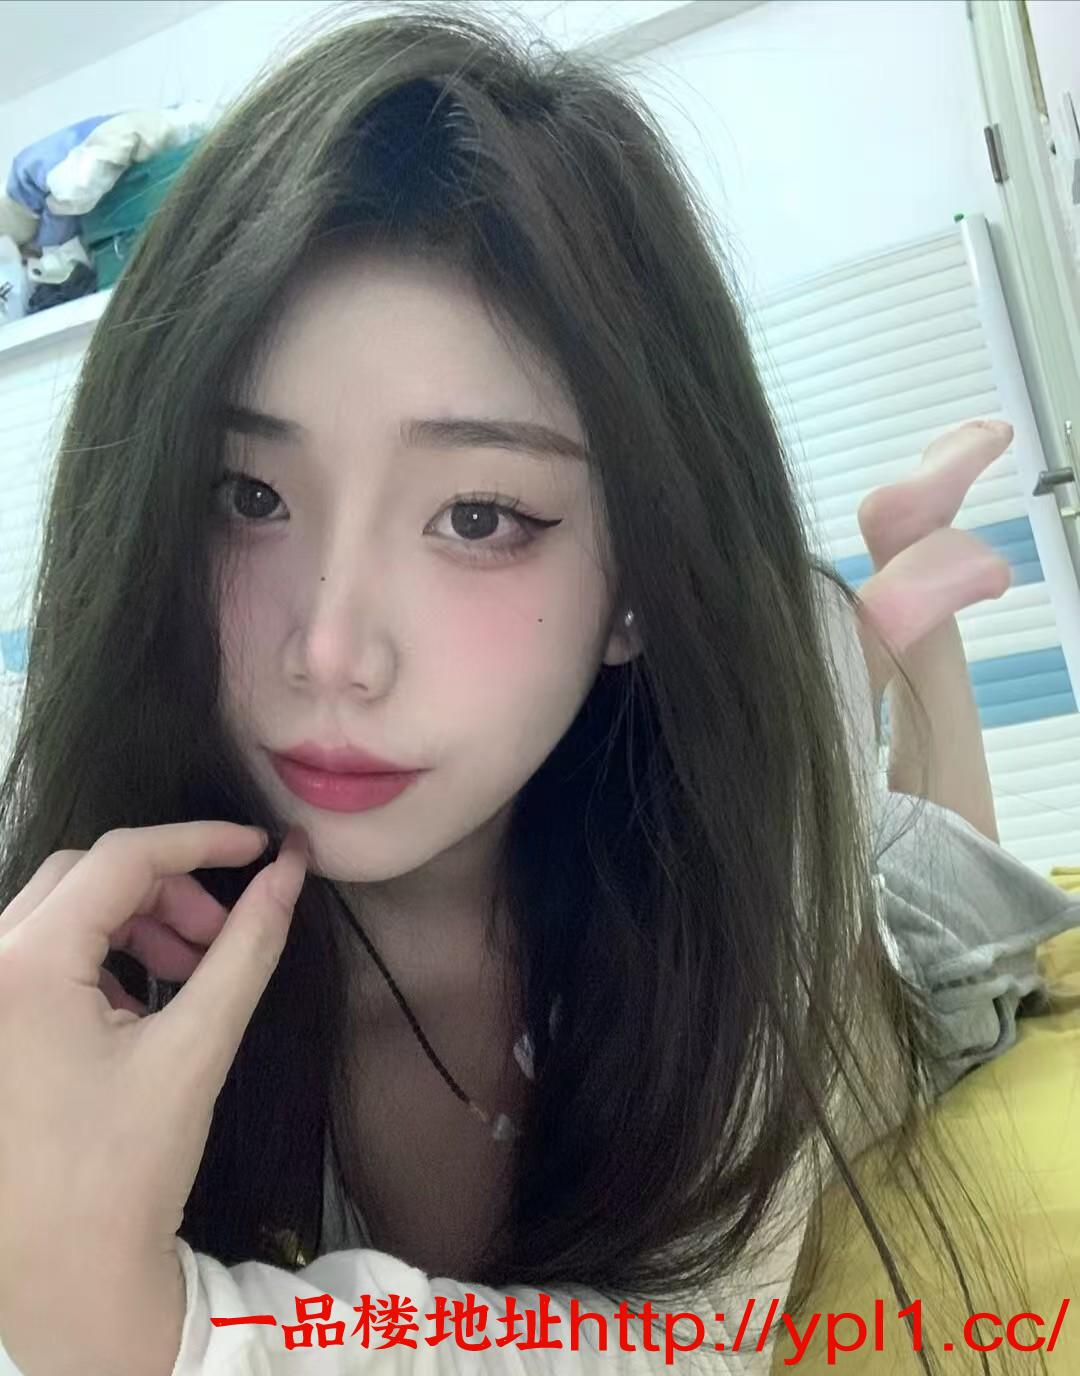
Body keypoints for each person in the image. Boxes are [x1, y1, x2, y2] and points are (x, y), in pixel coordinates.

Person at [0, 7, 1076, 1374]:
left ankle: (904, 619)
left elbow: (693, 1340)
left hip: (860, 911)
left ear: (635, 576)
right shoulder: (82, 952)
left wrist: (156, 1333)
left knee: (953, 937)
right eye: (249, 495)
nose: (329, 652)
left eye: (480, 516)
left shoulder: (727, 875)